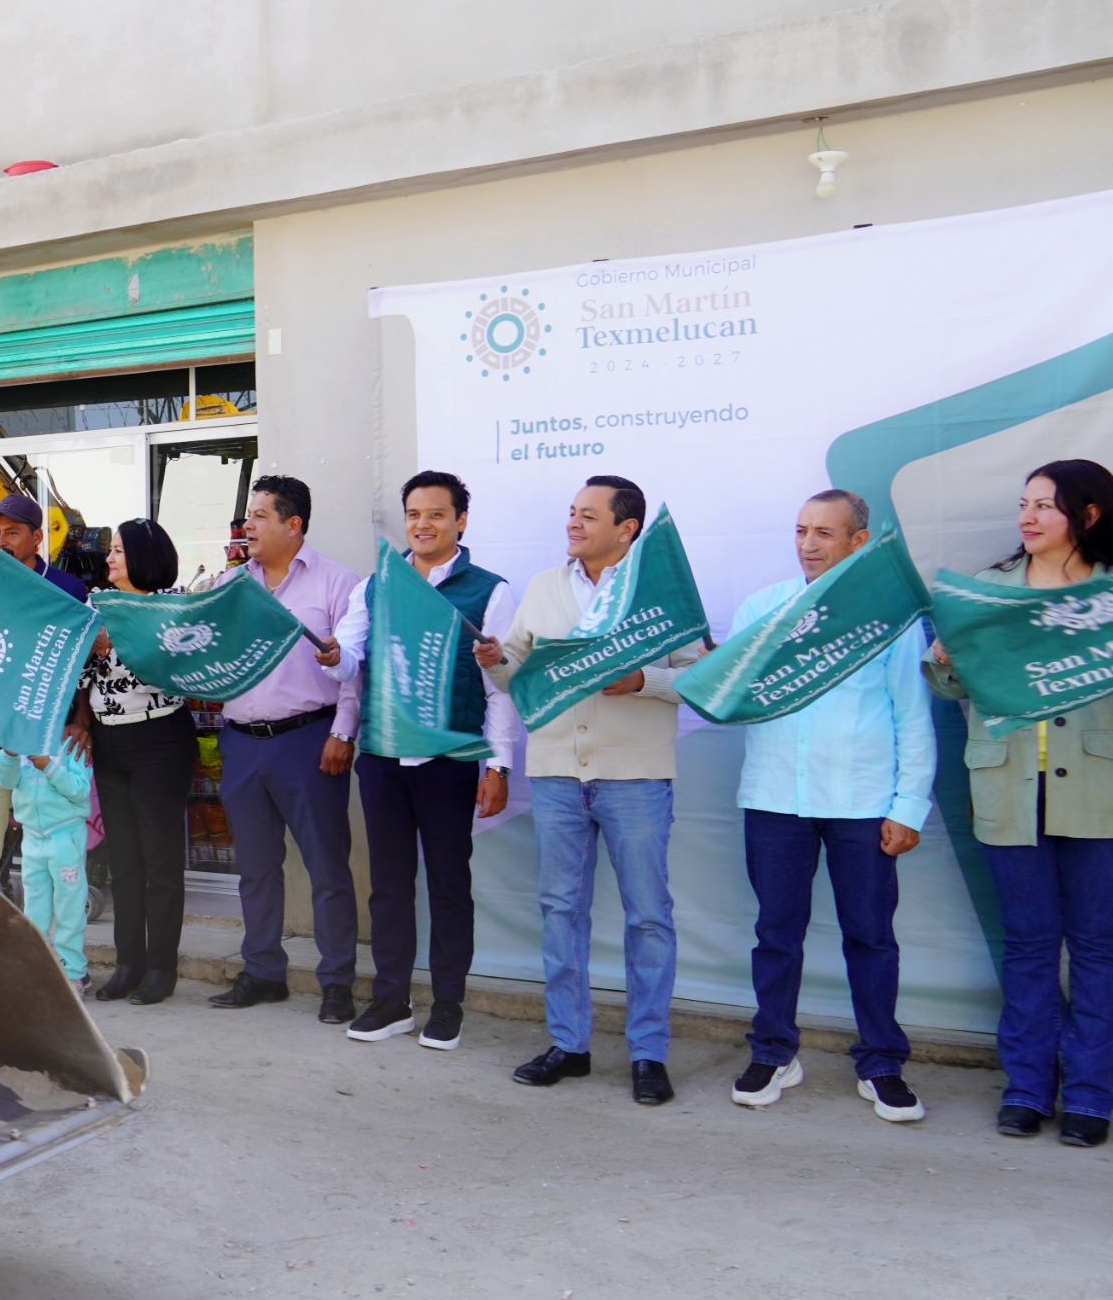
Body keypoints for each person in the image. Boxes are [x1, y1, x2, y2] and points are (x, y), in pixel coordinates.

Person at [477, 476, 707, 1105]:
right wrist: (494, 661)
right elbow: (516, 676)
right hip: (555, 773)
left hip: (636, 777)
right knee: (560, 910)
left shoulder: (657, 590)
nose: (573, 524)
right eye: (571, 512)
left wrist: (643, 681)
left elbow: (702, 675)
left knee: (648, 916)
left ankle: (648, 1053)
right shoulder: (545, 586)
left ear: (627, 528)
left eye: (588, 515)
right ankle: (568, 1044)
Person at [714, 490, 935, 1119]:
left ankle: (881, 1062)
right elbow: (733, 696)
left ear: (859, 542)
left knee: (871, 936)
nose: (808, 544)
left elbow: (913, 717)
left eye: (824, 533)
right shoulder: (764, 609)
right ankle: (774, 1052)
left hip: (863, 802)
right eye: (801, 531)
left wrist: (909, 806)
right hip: (775, 796)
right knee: (776, 933)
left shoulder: (889, 618)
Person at [925, 459, 1113, 1146]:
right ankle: (1028, 1087)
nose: (1027, 517)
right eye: (1024, 504)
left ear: (1088, 515)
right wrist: (945, 659)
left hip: (1098, 792)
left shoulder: (1108, 596)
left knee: (1097, 950)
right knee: (1029, 947)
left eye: (1045, 505)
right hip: (1008, 788)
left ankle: (1091, 1095)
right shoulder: (988, 592)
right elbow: (951, 689)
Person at [320, 471, 518, 1050]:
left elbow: (500, 687)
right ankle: (392, 1000)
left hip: (450, 760)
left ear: (460, 520)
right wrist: (333, 656)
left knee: (450, 885)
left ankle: (448, 1004)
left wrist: (499, 765)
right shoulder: (375, 586)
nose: (422, 524)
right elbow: (351, 659)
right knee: (388, 886)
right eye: (413, 514)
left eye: (436, 514)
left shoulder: (490, 591)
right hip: (382, 759)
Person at [207, 476, 364, 1024]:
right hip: (241, 743)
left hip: (308, 742)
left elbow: (354, 667)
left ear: (293, 524)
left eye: (259, 516)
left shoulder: (337, 583)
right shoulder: (231, 585)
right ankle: (263, 971)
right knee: (255, 868)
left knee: (327, 868)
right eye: (247, 516)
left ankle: (337, 981)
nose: (247, 525)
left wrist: (343, 732)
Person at [84, 519, 198, 1007]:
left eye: (118, 551)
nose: (109, 558)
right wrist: (86, 650)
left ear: (144, 558)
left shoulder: (172, 607)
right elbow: (81, 676)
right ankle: (127, 963)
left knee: (160, 861)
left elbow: (168, 674)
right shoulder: (95, 605)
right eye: (110, 550)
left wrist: (114, 643)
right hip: (109, 741)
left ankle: (161, 967)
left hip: (160, 741)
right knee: (124, 861)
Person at [0, 496, 90, 889]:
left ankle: (50, 930)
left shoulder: (68, 588)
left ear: (37, 538)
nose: (1, 541)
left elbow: (83, 666)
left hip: (46, 745)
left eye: (12, 532)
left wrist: (83, 719)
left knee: (53, 853)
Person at [0, 737, 95, 988]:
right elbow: (4, 781)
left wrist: (49, 767)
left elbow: (80, 791)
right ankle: (36, 967)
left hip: (65, 836)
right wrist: (9, 754)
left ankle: (74, 972)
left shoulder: (72, 744)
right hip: (32, 836)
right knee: (34, 907)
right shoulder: (20, 739)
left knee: (69, 906)